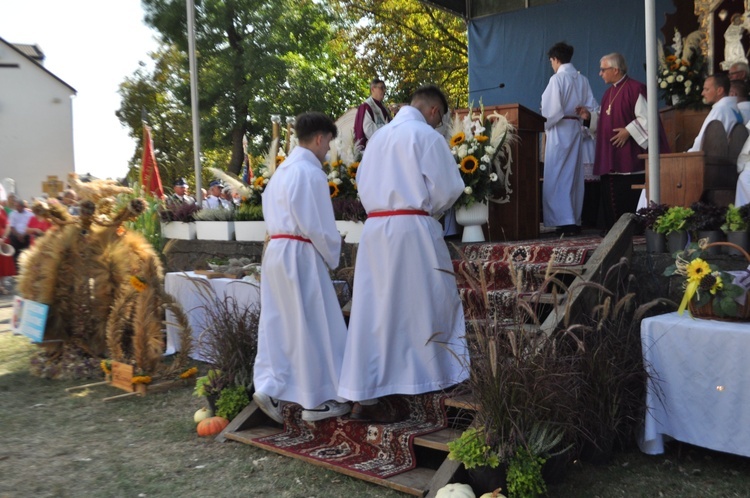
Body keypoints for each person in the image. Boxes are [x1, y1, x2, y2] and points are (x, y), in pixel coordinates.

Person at [338, 85, 468, 422]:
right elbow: (449, 188)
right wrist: (427, 212)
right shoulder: (425, 136)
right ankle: (428, 377)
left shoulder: (379, 138)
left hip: (377, 230)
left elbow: (362, 183)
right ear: (434, 112)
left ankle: (368, 393)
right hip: (413, 230)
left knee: (377, 310)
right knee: (427, 301)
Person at [252, 112, 351, 424]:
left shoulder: (282, 172)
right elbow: (318, 225)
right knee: (314, 322)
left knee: (280, 322)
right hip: (299, 252)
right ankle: (319, 400)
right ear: (320, 138)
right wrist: (335, 250)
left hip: (277, 251)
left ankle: (270, 387)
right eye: (328, 144)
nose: (327, 152)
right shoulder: (310, 173)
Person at [577, 52, 670, 231]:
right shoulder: (607, 94)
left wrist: (629, 131)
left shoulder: (636, 89)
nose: (600, 73)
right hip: (611, 157)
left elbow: (649, 119)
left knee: (626, 197)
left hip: (629, 158)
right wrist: (589, 117)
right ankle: (613, 230)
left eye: (603, 70)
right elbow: (606, 120)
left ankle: (632, 230)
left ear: (616, 70)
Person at [540, 41, 598, 235]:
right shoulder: (583, 80)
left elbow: (551, 111)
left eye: (551, 61)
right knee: (573, 176)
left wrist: (542, 122)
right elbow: (591, 107)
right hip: (575, 128)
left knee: (557, 175)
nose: (552, 65)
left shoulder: (557, 80)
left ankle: (564, 221)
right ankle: (574, 218)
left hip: (559, 129)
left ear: (556, 59)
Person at [688, 73, 743, 152]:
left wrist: (689, 154)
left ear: (719, 90)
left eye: (707, 89)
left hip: (714, 161)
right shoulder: (733, 108)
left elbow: (702, 141)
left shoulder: (720, 110)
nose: (702, 93)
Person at [353, 78, 392, 150]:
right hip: (373, 147)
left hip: (386, 145)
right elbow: (368, 129)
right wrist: (386, 132)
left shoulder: (384, 108)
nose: (384, 91)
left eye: (384, 88)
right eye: (381, 88)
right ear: (373, 89)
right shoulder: (366, 106)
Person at [5, 199, 33, 270]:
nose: (17, 208)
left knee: (26, 253)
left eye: (19, 206)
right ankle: (16, 271)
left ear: (23, 206)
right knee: (15, 254)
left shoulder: (30, 214)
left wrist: (23, 235)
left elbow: (30, 226)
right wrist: (18, 236)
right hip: (15, 236)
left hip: (26, 236)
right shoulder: (12, 214)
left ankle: (26, 269)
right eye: (16, 206)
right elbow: (12, 227)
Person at [0, 203, 15, 294]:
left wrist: (3, 238)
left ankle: (2, 286)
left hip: (4, 241)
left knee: (3, 264)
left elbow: (8, 225)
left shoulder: (2, 210)